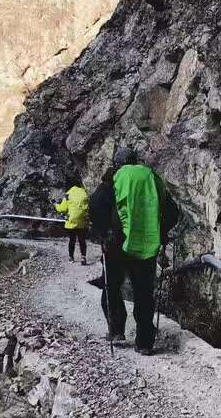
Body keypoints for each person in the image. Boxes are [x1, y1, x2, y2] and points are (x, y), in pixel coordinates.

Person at [89, 145, 180, 355]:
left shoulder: (113, 178)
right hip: (146, 245)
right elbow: (172, 211)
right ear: (135, 160)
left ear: (117, 163)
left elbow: (95, 205)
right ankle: (144, 343)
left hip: (116, 245)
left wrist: (104, 232)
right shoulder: (151, 177)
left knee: (112, 286)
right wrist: (161, 233)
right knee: (144, 293)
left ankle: (116, 331)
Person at [54, 182, 90, 264]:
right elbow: (87, 207)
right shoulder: (84, 193)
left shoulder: (68, 194)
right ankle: (83, 257)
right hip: (82, 221)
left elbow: (62, 209)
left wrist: (56, 205)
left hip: (71, 222)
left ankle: (71, 257)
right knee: (82, 240)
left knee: (72, 240)